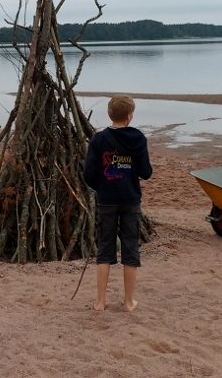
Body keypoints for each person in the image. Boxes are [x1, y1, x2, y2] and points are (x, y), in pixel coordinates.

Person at [83, 95, 153, 312]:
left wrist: (103, 186)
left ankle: (100, 301)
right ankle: (129, 301)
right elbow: (146, 172)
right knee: (130, 249)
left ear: (109, 114)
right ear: (130, 115)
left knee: (104, 248)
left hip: (106, 200)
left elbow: (88, 175)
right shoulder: (138, 138)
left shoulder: (98, 139)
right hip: (130, 200)